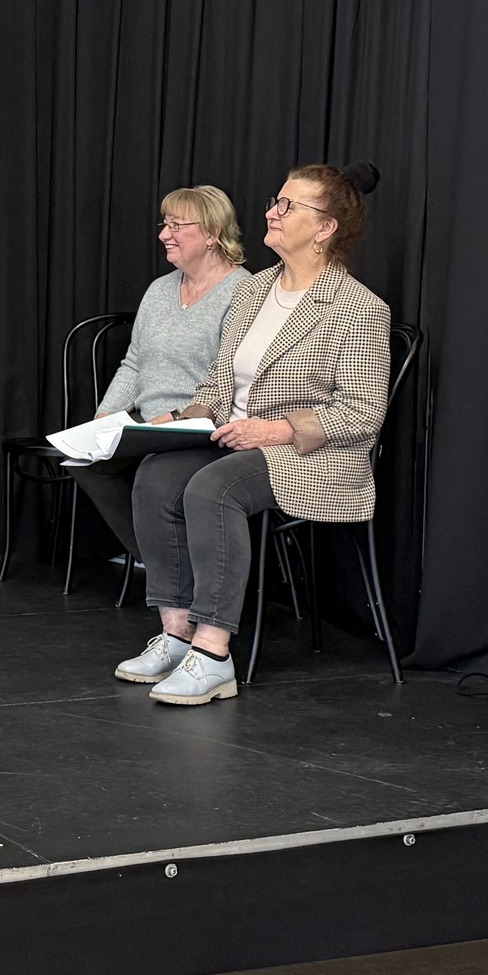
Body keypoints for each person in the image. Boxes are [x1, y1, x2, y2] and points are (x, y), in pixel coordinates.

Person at [118, 163, 390, 706]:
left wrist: (277, 429)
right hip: (232, 438)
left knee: (212, 488)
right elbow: (219, 385)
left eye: (289, 206)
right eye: (275, 201)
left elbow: (362, 412)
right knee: (155, 476)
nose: (272, 212)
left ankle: (213, 654)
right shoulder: (254, 292)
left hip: (310, 455)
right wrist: (177, 419)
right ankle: (177, 633)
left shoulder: (358, 307)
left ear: (325, 227)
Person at [65, 186, 248, 564]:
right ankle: (157, 558)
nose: (165, 234)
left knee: (154, 474)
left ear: (212, 233)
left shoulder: (243, 292)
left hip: (201, 424)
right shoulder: (159, 290)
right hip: (148, 422)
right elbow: (135, 363)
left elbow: (231, 375)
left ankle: (170, 565)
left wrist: (178, 418)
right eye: (165, 224)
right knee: (86, 462)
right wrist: (106, 415)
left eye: (177, 225)